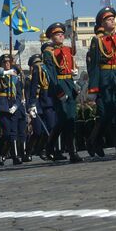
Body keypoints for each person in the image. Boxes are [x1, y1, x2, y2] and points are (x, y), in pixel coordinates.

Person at [87, 7, 116, 157]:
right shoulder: (97, 41)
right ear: (102, 23)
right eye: (108, 19)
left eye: (113, 18)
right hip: (105, 78)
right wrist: (93, 89)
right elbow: (94, 66)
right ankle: (94, 139)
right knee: (107, 114)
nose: (112, 21)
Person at [42, 24, 83, 163]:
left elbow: (71, 65)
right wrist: (59, 92)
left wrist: (74, 72)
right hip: (59, 86)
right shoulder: (48, 52)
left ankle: (49, 147)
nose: (60, 36)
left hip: (69, 84)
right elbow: (51, 74)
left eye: (61, 34)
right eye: (57, 34)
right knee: (66, 119)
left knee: (69, 119)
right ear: (52, 37)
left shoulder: (68, 49)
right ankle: (73, 152)